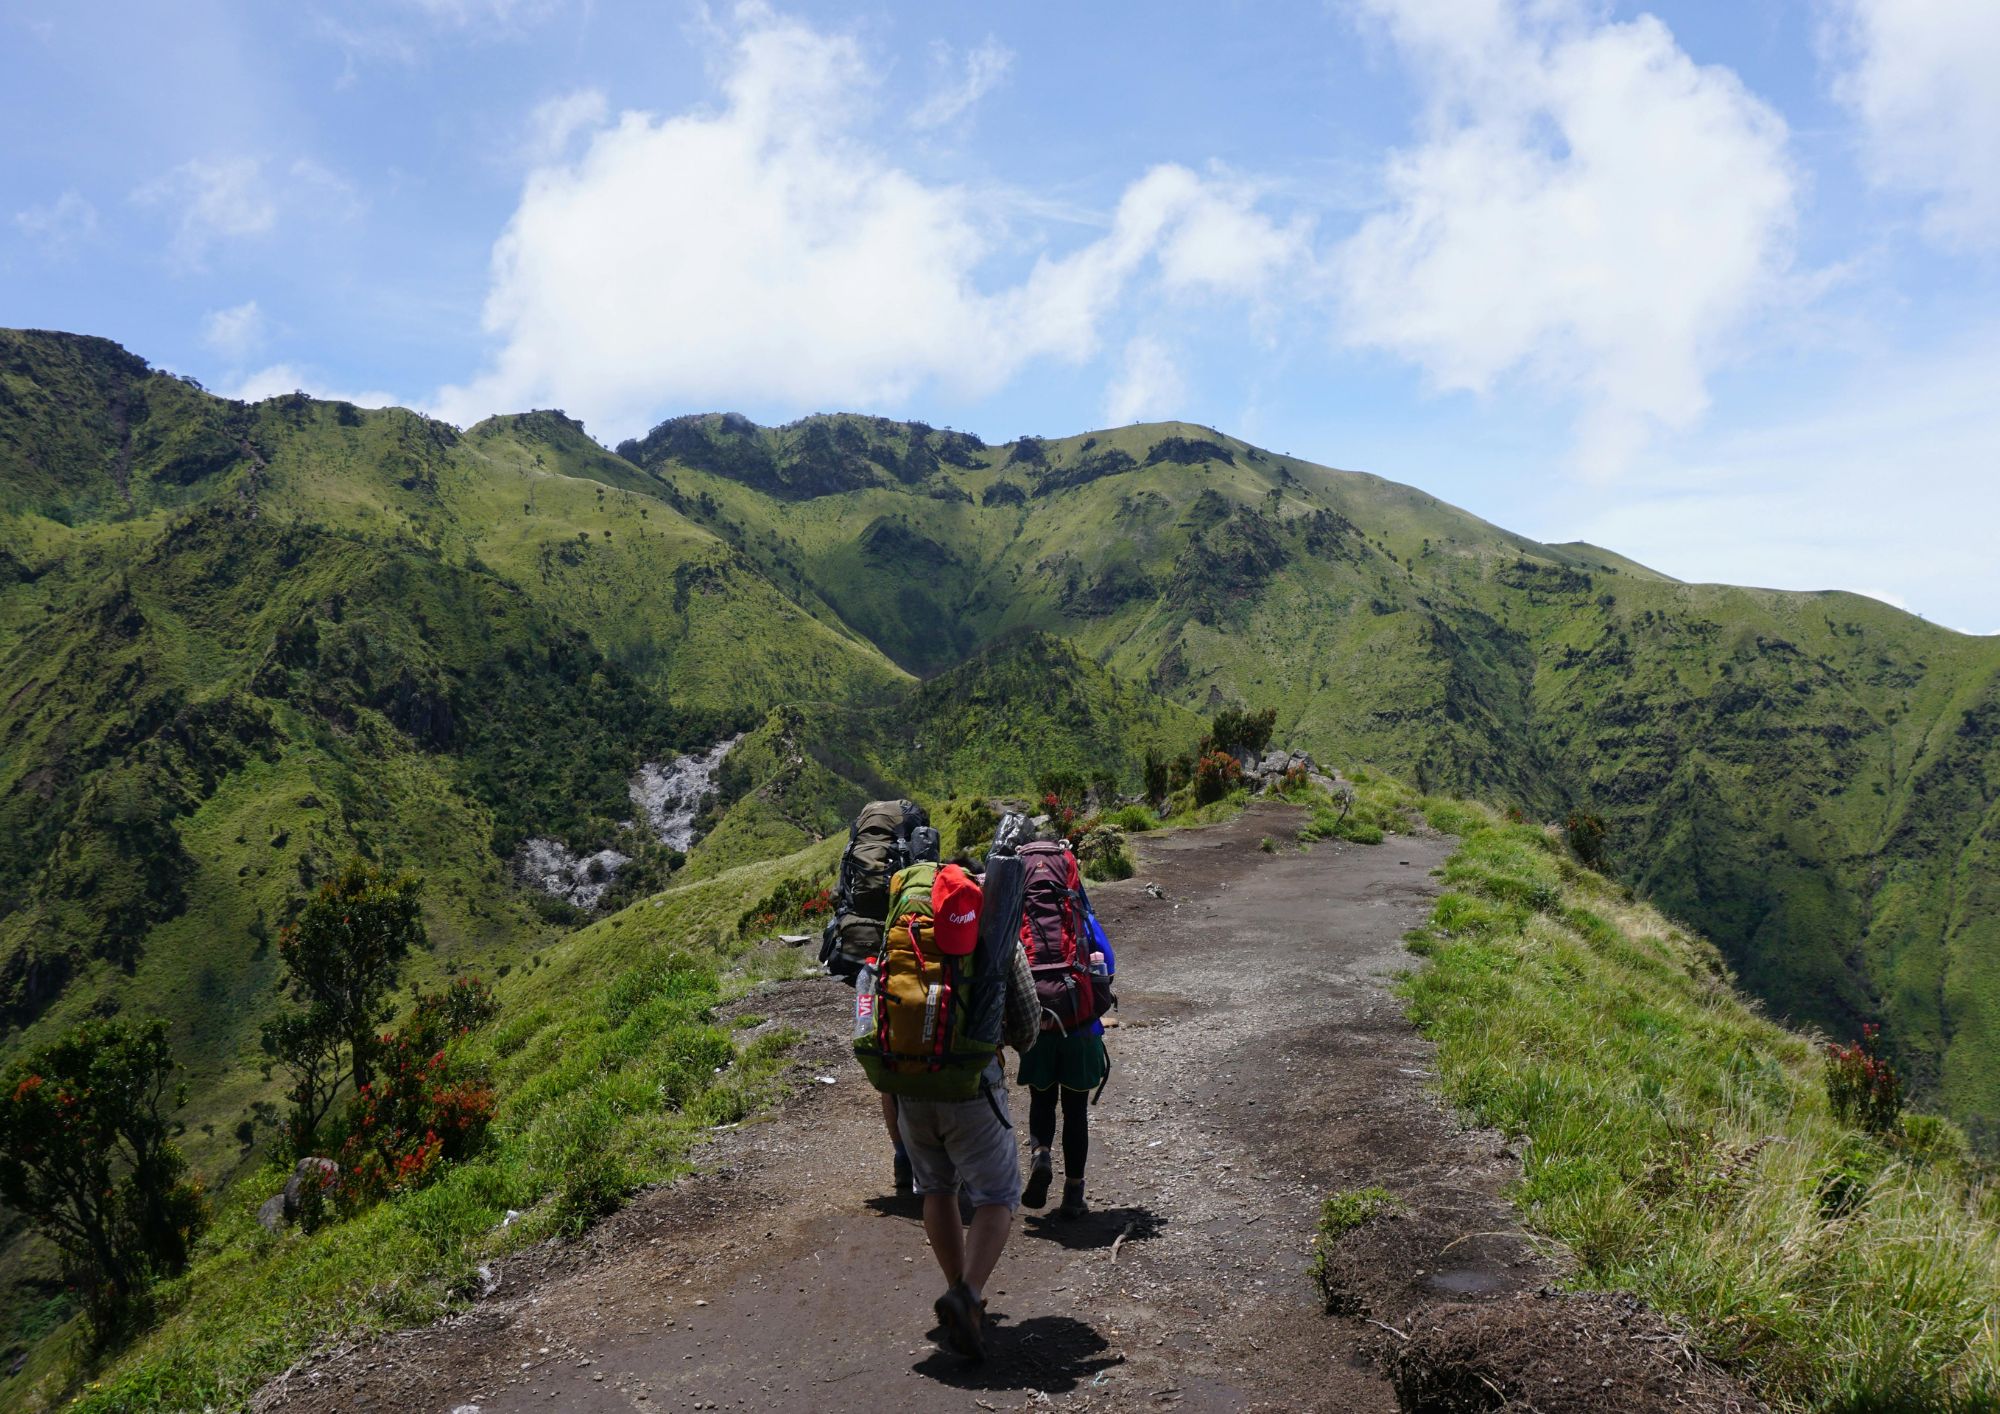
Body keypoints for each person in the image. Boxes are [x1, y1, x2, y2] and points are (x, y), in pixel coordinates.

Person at [855, 847, 1040, 1361]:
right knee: (998, 1195)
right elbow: (1025, 1028)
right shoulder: (993, 931)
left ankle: (960, 1287)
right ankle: (968, 1292)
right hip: (971, 1086)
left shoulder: (900, 938)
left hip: (910, 1087)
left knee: (936, 1187)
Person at [1017, 866, 1114, 1219]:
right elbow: (1109, 962)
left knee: (1041, 1101)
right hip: (1081, 1030)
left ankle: (1041, 1153)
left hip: (1039, 1028)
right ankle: (1073, 1193)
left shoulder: (1022, 917)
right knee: (1076, 1113)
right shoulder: (1078, 914)